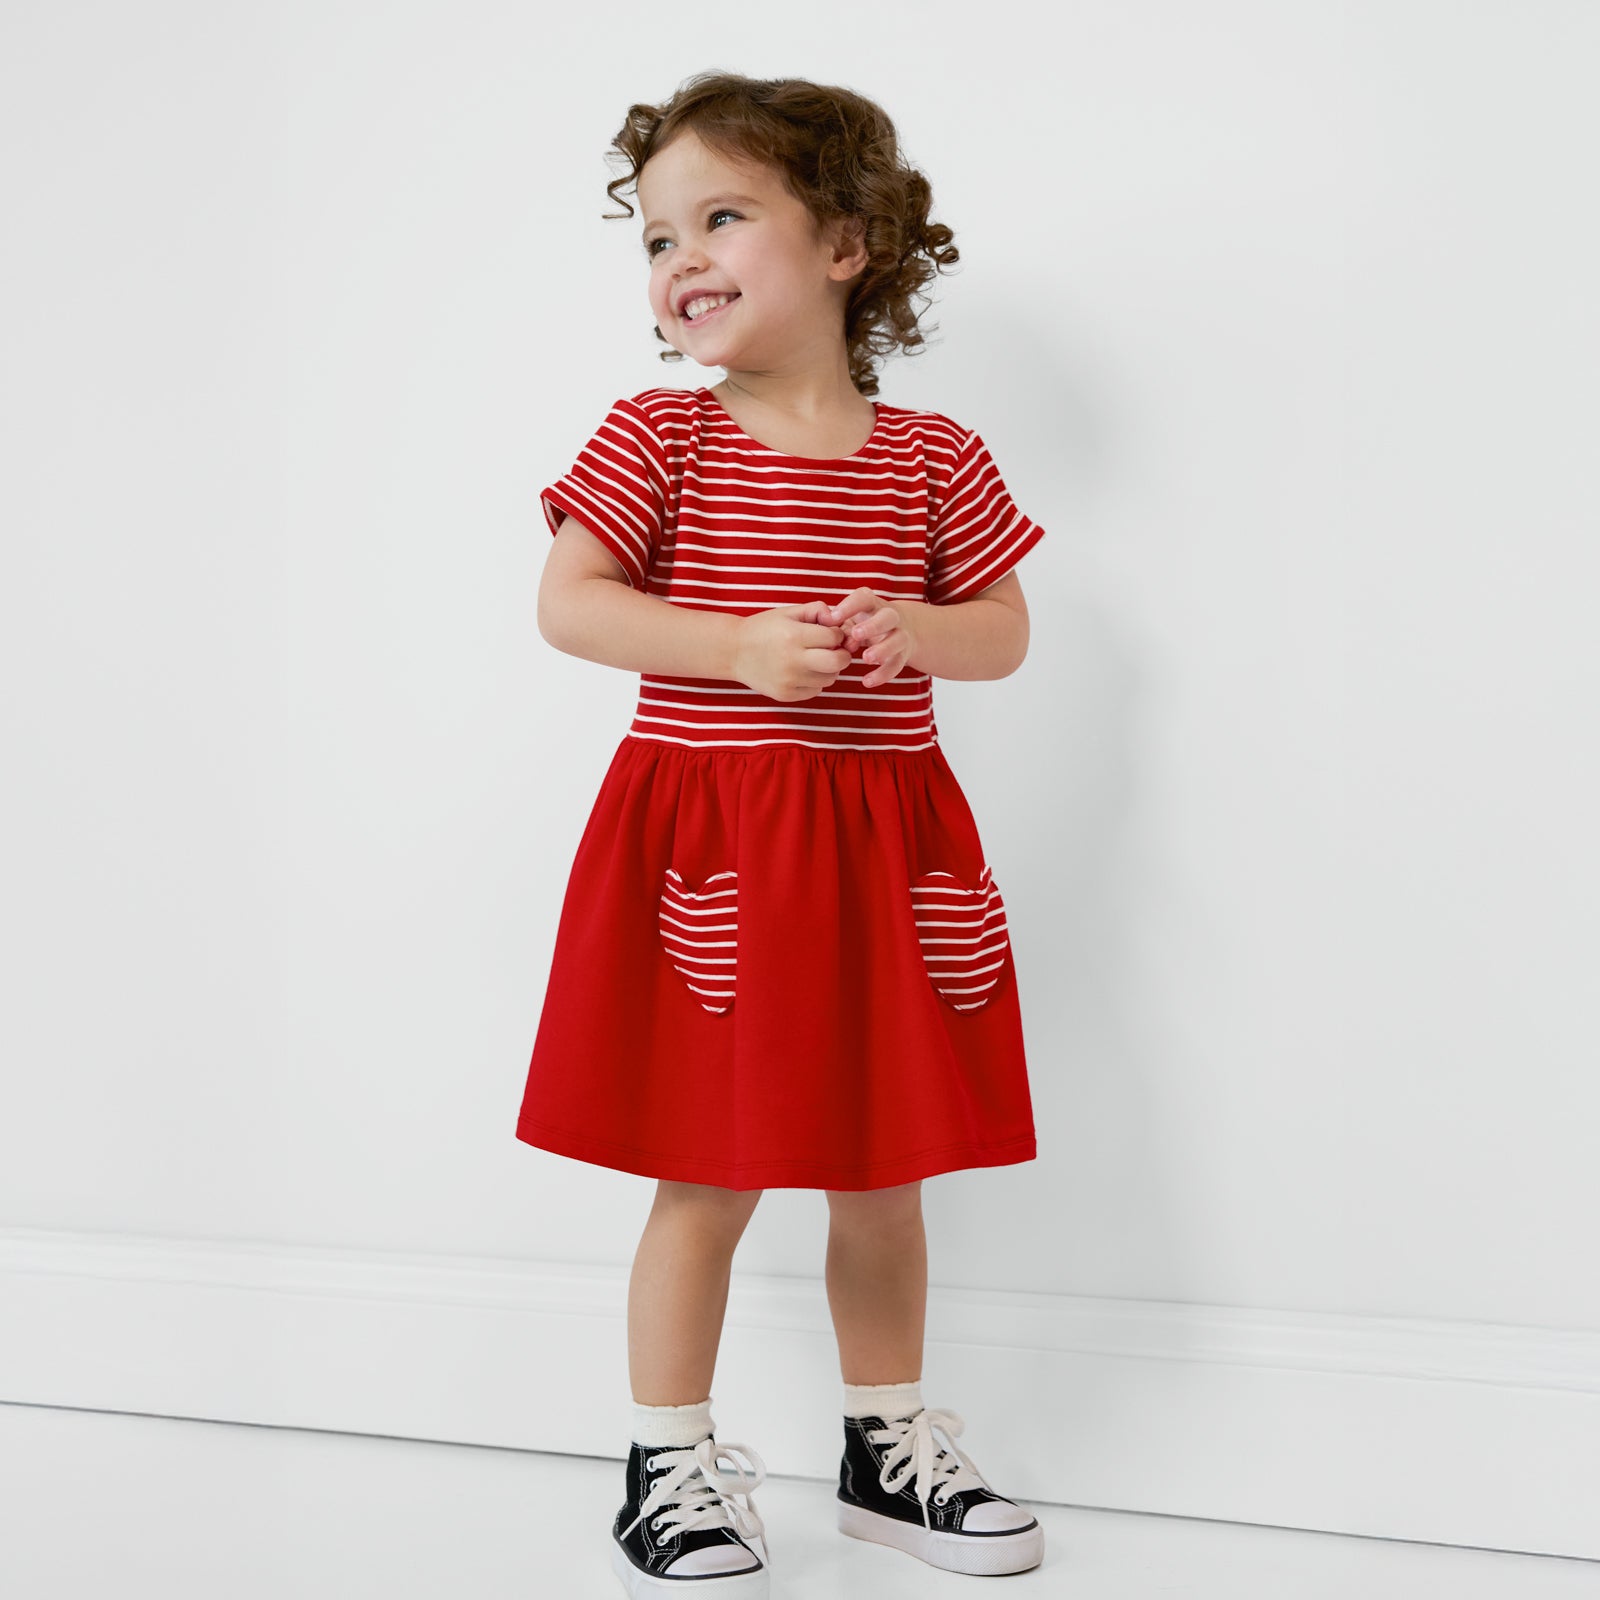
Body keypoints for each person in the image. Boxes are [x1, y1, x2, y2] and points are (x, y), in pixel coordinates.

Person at [516, 70, 1049, 1595]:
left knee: (885, 1173)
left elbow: (1005, 634)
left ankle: (888, 1448)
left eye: (724, 216)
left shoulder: (932, 457)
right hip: (718, 853)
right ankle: (667, 1459)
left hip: (885, 853)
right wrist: (741, 647)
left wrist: (923, 629)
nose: (680, 257)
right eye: (658, 234)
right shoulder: (660, 441)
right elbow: (572, 602)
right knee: (707, 1171)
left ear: (848, 242)